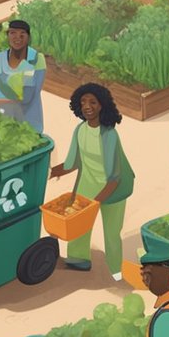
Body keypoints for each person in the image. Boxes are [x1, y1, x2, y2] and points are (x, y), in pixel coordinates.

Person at [49, 84, 134, 279]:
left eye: (92, 102)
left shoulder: (109, 135)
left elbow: (114, 176)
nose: (87, 106)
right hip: (88, 183)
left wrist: (96, 203)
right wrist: (48, 173)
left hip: (114, 189)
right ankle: (78, 260)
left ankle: (116, 272)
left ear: (102, 105)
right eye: (83, 102)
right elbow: (73, 162)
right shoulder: (80, 130)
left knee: (112, 233)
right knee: (79, 226)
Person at [0, 20, 47, 133]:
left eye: (22, 33)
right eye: (13, 33)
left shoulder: (36, 60)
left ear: (28, 37)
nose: (17, 37)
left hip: (27, 123)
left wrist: (0, 102)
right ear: (7, 35)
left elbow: (28, 96)